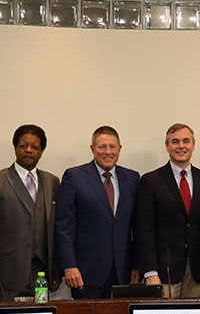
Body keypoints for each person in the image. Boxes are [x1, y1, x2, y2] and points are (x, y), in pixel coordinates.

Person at [136, 123, 200, 298]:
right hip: (163, 270)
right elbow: (144, 230)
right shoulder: (150, 181)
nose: (181, 146)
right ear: (167, 146)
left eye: (186, 141)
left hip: (199, 270)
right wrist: (150, 272)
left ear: (193, 145)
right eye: (175, 142)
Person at [56, 126, 140, 300]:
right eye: (102, 147)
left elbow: (138, 227)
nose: (107, 152)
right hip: (85, 273)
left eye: (112, 147)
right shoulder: (75, 176)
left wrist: (137, 266)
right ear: (92, 149)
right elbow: (64, 226)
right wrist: (69, 265)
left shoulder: (132, 179)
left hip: (122, 272)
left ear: (120, 149)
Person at [0, 125, 60, 301]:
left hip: (42, 273)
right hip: (6, 273)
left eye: (35, 147)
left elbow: (55, 229)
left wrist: (56, 269)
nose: (29, 150)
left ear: (42, 151)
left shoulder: (52, 182)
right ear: (15, 148)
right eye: (23, 146)